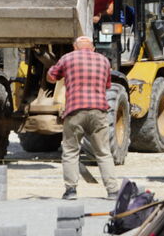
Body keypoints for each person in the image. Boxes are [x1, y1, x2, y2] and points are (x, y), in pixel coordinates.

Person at [47, 35, 119, 200]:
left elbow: (52, 77)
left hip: (75, 110)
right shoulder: (104, 61)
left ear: (75, 47)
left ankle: (71, 190)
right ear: (93, 48)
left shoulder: (67, 58)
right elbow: (107, 85)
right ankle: (112, 191)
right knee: (103, 152)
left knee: (71, 151)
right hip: (99, 111)